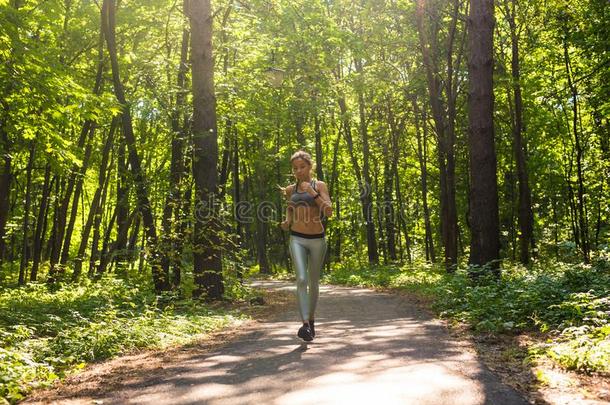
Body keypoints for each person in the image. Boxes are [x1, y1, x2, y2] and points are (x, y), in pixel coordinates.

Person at [279, 150, 333, 342]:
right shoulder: (290, 189)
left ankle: (311, 319)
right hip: (297, 238)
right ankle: (304, 325)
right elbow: (290, 208)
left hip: (317, 239)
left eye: (302, 167)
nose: (298, 171)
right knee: (301, 279)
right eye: (295, 168)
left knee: (313, 281)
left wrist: (314, 194)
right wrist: (287, 221)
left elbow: (329, 212)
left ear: (310, 166)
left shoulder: (319, 185)